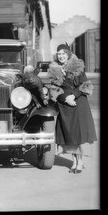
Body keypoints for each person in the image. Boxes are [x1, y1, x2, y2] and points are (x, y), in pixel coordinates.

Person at [47, 43, 97, 174]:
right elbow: (54, 89)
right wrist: (64, 98)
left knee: (78, 134)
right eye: (59, 54)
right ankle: (74, 161)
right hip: (64, 105)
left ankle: (80, 161)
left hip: (78, 103)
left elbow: (85, 85)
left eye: (63, 53)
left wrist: (72, 96)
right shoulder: (54, 69)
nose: (61, 56)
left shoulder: (77, 66)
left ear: (68, 54)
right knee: (69, 135)